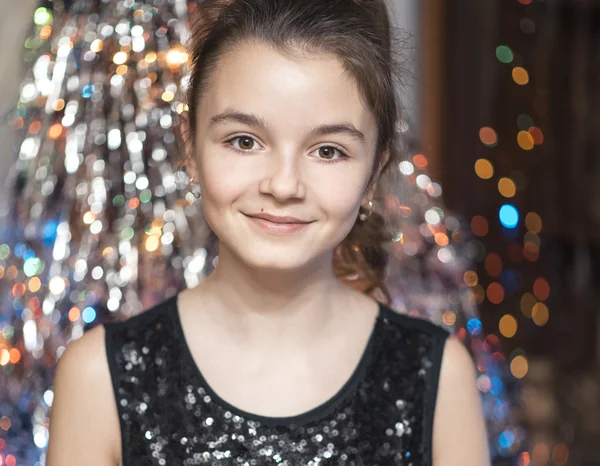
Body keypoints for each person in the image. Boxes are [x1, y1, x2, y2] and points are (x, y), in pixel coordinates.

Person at [47, 0, 490, 464]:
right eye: (244, 141)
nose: (282, 185)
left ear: (374, 173)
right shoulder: (100, 378)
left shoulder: (436, 379)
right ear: (191, 148)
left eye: (328, 151)